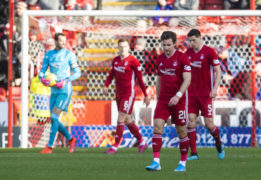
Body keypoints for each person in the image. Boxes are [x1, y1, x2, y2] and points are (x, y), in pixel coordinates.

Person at [145, 31, 191, 172]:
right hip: (164, 100)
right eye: (164, 45)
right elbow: (158, 79)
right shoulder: (160, 59)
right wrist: (159, 99)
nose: (166, 48)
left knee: (181, 131)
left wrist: (177, 96)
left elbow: (187, 79)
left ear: (175, 43)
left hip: (179, 101)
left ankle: (182, 163)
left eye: (169, 45)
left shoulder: (183, 58)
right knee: (157, 127)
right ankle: (156, 162)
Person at [103, 38, 150, 154]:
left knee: (120, 118)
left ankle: (115, 146)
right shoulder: (115, 60)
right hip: (118, 94)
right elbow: (111, 75)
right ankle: (142, 142)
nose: (123, 48)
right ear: (118, 48)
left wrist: (146, 95)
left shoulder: (133, 61)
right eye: (121, 46)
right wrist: (106, 85)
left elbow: (140, 79)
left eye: (125, 46)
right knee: (128, 120)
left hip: (128, 94)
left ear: (129, 48)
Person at [185, 29, 225, 160]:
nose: (191, 43)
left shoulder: (210, 52)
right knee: (190, 122)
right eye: (189, 41)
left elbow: (218, 71)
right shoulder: (188, 53)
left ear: (200, 38)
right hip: (190, 93)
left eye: (193, 40)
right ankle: (194, 153)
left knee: (209, 124)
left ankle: (218, 144)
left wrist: (215, 89)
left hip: (206, 94)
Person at [39, 32, 81, 153]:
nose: (64, 43)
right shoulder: (49, 55)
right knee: (54, 120)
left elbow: (78, 73)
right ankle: (71, 139)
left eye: (65, 41)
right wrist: (42, 79)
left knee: (54, 116)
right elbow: (42, 71)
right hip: (53, 90)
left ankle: (49, 147)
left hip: (65, 90)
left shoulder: (69, 55)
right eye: (61, 41)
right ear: (55, 41)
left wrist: (65, 80)